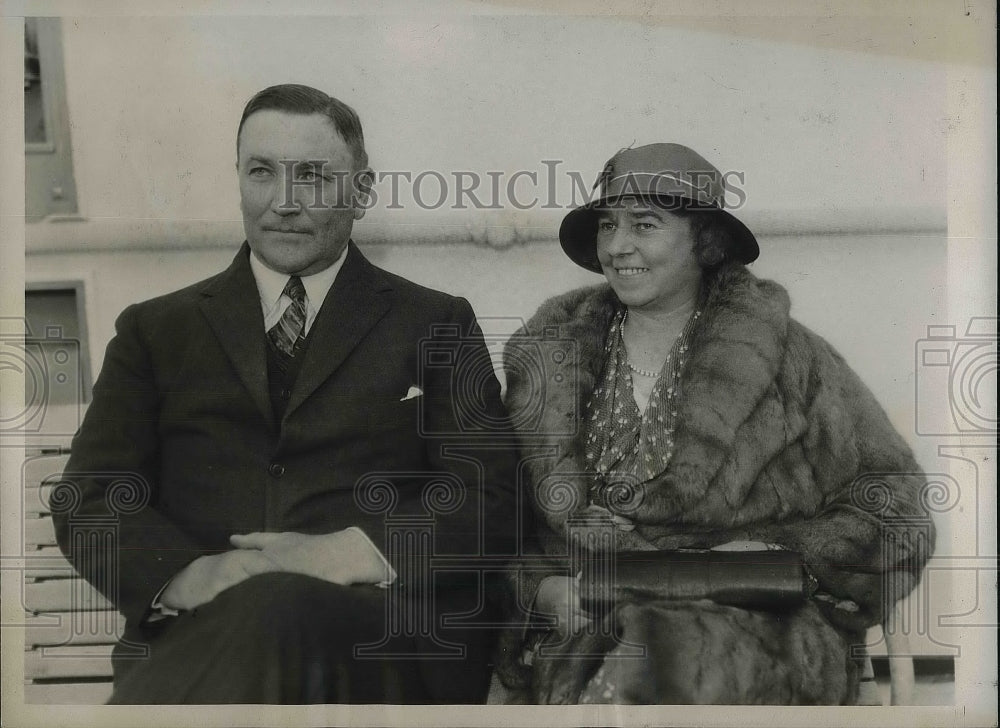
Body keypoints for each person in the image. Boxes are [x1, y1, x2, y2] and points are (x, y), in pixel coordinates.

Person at [53, 84, 518, 704]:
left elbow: (492, 498)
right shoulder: (156, 331)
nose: (284, 203)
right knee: (264, 614)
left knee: (280, 603)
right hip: (202, 643)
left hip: (385, 650)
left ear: (362, 190)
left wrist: (346, 554)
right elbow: (90, 496)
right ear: (239, 181)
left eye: (314, 177)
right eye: (262, 173)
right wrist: (195, 574)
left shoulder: (434, 322)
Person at [495, 143, 934, 704]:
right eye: (607, 225)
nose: (617, 247)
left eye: (644, 225)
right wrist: (541, 589)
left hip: (755, 625)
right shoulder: (549, 358)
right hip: (590, 619)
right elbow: (491, 510)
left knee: (664, 657)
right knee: (626, 655)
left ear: (705, 241)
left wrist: (775, 553)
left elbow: (898, 503)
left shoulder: (787, 358)